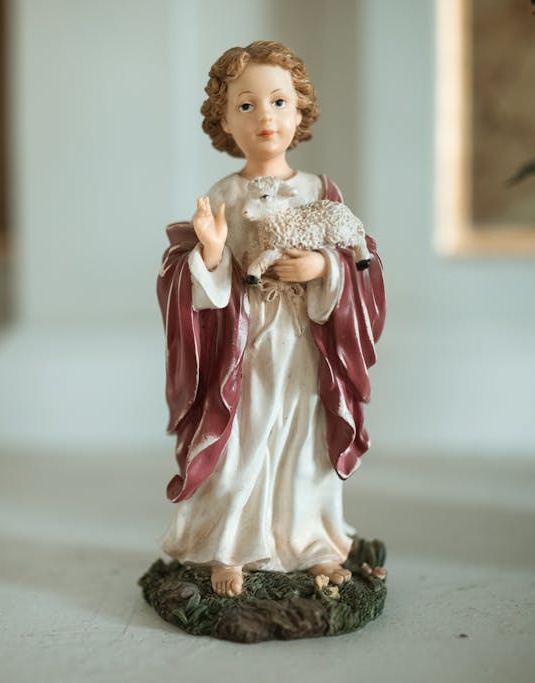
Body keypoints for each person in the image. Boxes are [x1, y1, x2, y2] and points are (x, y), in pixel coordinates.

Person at [157, 41, 386, 597]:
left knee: (304, 444)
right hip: (248, 343)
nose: (266, 117)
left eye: (279, 102)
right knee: (245, 441)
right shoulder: (224, 196)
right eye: (246, 105)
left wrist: (322, 268)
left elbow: (362, 260)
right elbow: (195, 284)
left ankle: (311, 543)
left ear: (300, 110)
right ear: (223, 121)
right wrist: (210, 252)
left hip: (307, 343)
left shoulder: (320, 192)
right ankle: (230, 545)